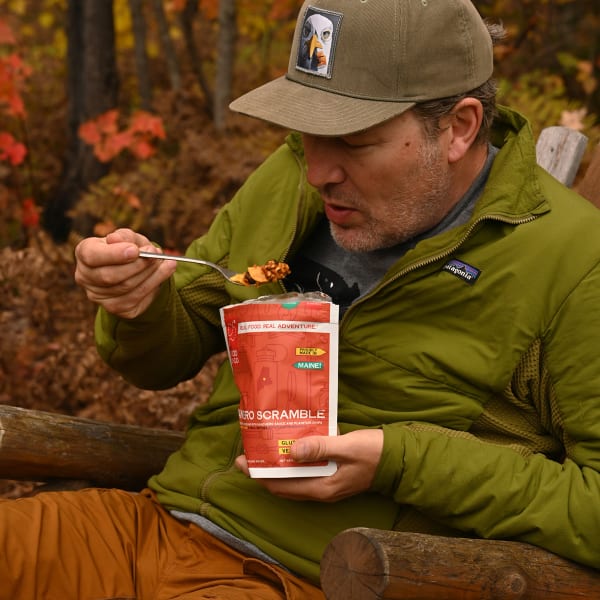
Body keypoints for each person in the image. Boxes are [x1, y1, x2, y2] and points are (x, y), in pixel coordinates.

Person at [3, 0, 600, 597]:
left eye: (354, 142)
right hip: (152, 528)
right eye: (309, 133)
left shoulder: (574, 264)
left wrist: (402, 461)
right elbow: (163, 353)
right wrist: (138, 305)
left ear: (459, 127)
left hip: (315, 577)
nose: (318, 171)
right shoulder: (297, 175)